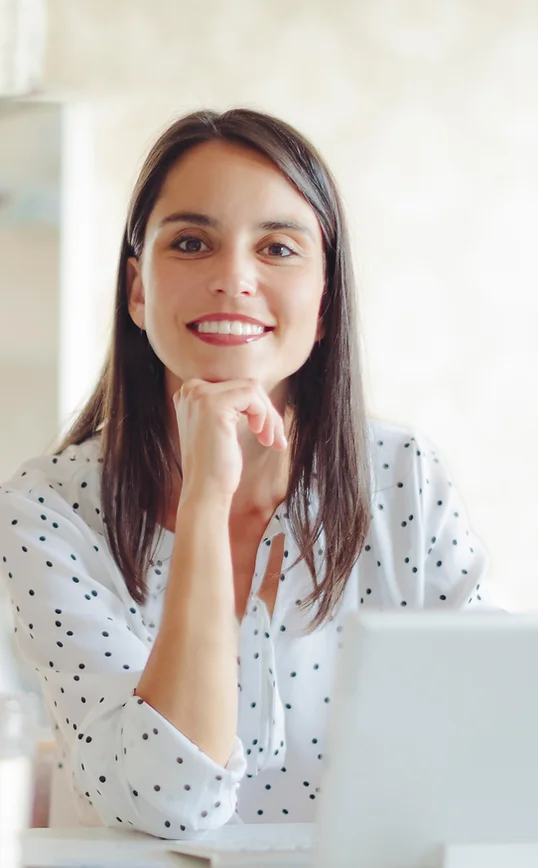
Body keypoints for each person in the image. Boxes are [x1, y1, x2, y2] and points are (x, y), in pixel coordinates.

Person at [0, 108, 494, 839]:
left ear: (324, 302)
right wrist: (205, 498)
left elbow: (495, 742)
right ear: (138, 291)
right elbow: (173, 801)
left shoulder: (403, 478)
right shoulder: (43, 510)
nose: (234, 278)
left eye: (278, 248)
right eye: (192, 243)